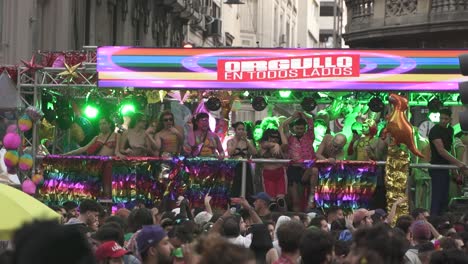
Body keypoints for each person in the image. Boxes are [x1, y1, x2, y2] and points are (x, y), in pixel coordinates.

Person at [428, 108, 467, 215]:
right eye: (441, 118)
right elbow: (441, 151)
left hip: (446, 168)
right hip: (437, 167)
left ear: (450, 119)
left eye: (446, 119)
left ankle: (442, 222)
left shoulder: (450, 130)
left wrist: (455, 170)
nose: (443, 121)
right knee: (437, 197)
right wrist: (458, 163)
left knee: (445, 197)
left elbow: (450, 149)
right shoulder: (435, 131)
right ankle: (434, 220)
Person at [280, 111, 317, 211]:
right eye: (297, 128)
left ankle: (312, 195)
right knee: (296, 200)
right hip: (293, 169)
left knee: (314, 170)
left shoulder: (309, 137)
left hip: (307, 169)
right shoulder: (290, 138)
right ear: (294, 128)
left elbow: (311, 121)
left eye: (302, 128)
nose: (300, 130)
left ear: (304, 129)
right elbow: (283, 126)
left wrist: (304, 115)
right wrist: (292, 117)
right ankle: (296, 219)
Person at [227, 121, 257, 198]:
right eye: (239, 129)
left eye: (243, 129)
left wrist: (246, 141)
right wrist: (237, 141)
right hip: (235, 166)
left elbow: (254, 152)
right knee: (235, 186)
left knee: (247, 186)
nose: (241, 131)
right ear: (235, 130)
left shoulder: (247, 142)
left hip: (245, 166)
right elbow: (230, 153)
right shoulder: (230, 141)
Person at [259, 129, 288, 207]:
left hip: (280, 173)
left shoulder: (280, 146)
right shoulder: (263, 144)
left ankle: (282, 216)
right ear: (267, 137)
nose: (275, 139)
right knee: (271, 201)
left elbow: (285, 144)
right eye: (272, 137)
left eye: (277, 137)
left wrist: (281, 130)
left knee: (281, 199)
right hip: (268, 174)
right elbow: (265, 145)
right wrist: (275, 145)